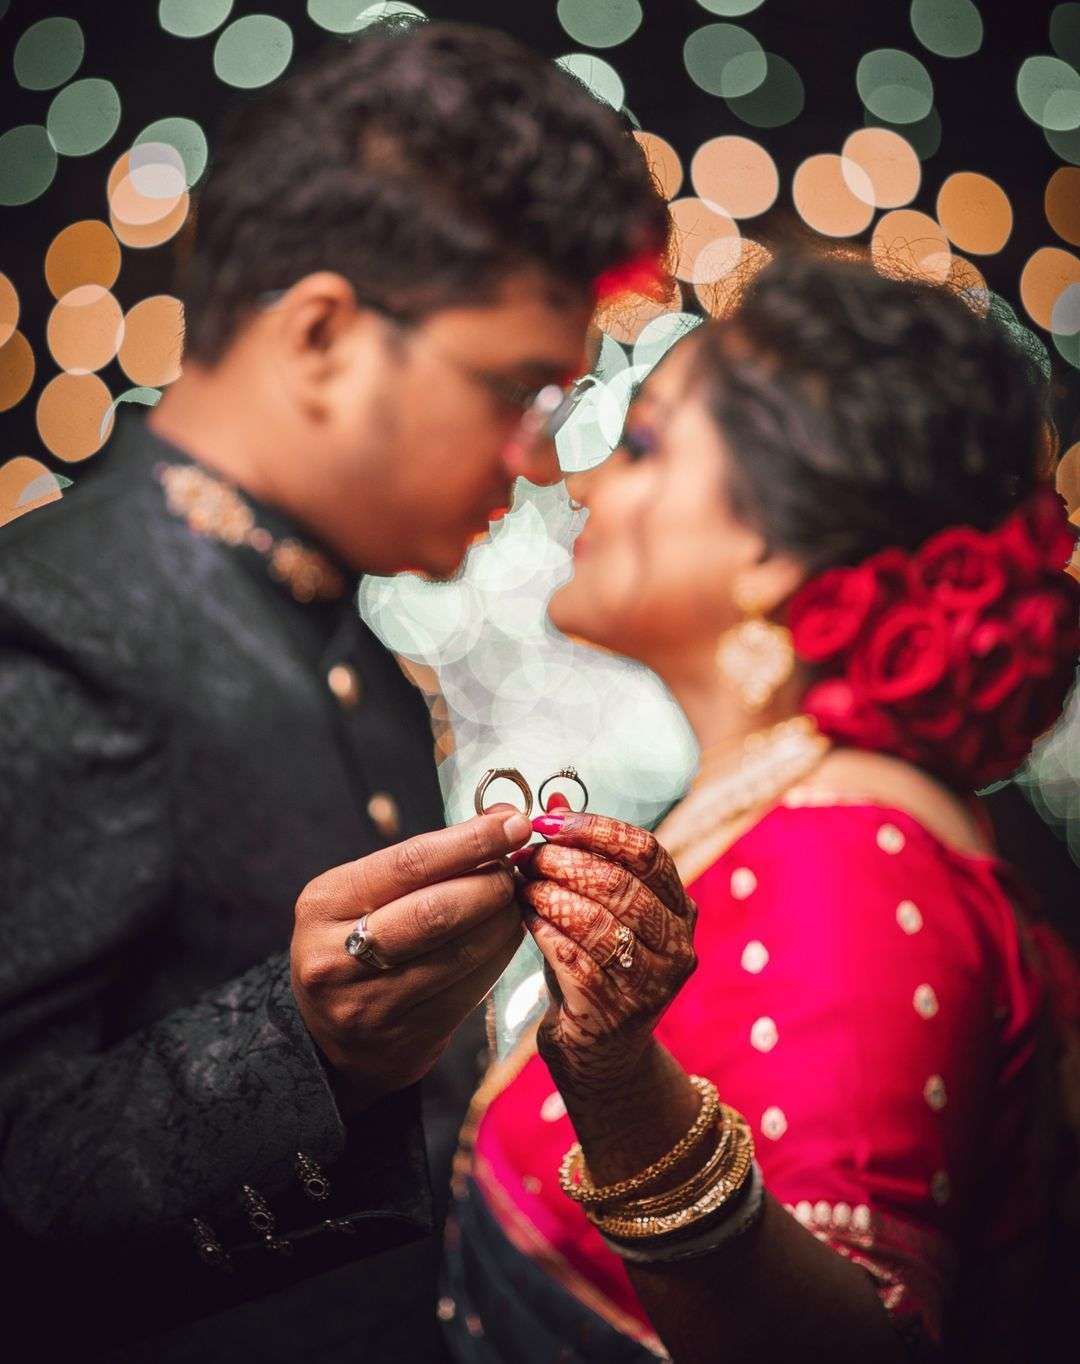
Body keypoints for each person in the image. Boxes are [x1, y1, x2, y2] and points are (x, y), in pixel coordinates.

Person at [0, 21, 671, 1362]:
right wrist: (304, 1045)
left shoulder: (318, 615)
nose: (538, 461)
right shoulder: (57, 624)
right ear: (321, 335)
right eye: (517, 392)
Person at [442, 250, 1080, 1362]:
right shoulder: (795, 812)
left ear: (775, 552)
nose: (585, 485)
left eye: (645, 446)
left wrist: (622, 1094)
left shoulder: (851, 857)